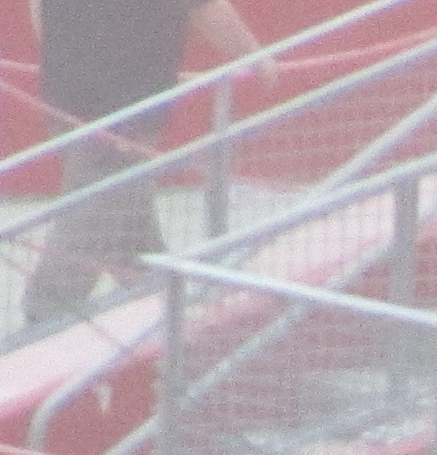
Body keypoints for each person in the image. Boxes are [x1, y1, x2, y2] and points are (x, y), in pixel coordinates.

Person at [23, 0, 262, 323]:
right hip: (125, 107)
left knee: (127, 225)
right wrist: (254, 55)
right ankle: (44, 321)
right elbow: (206, 7)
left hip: (69, 97)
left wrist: (69, 62)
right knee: (94, 223)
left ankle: (163, 318)